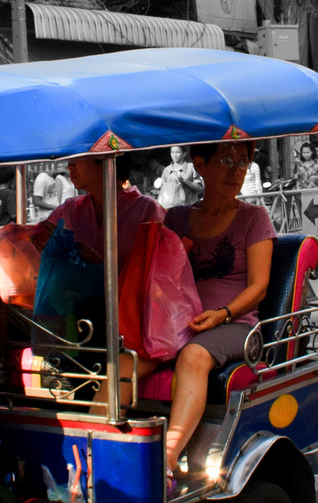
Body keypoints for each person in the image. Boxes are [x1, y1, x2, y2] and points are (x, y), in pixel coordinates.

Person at [162, 140, 276, 478]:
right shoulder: (176, 218)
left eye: (243, 162)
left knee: (194, 356)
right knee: (128, 355)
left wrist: (222, 313)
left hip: (235, 325)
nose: (235, 171)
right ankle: (97, 447)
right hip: (181, 322)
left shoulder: (254, 218)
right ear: (200, 164)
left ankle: (167, 456)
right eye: (226, 160)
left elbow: (259, 287)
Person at [46, 153, 165, 272]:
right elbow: (40, 238)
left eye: (76, 159)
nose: (69, 166)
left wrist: (100, 266)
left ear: (105, 160)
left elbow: (161, 272)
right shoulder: (70, 208)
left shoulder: (147, 210)